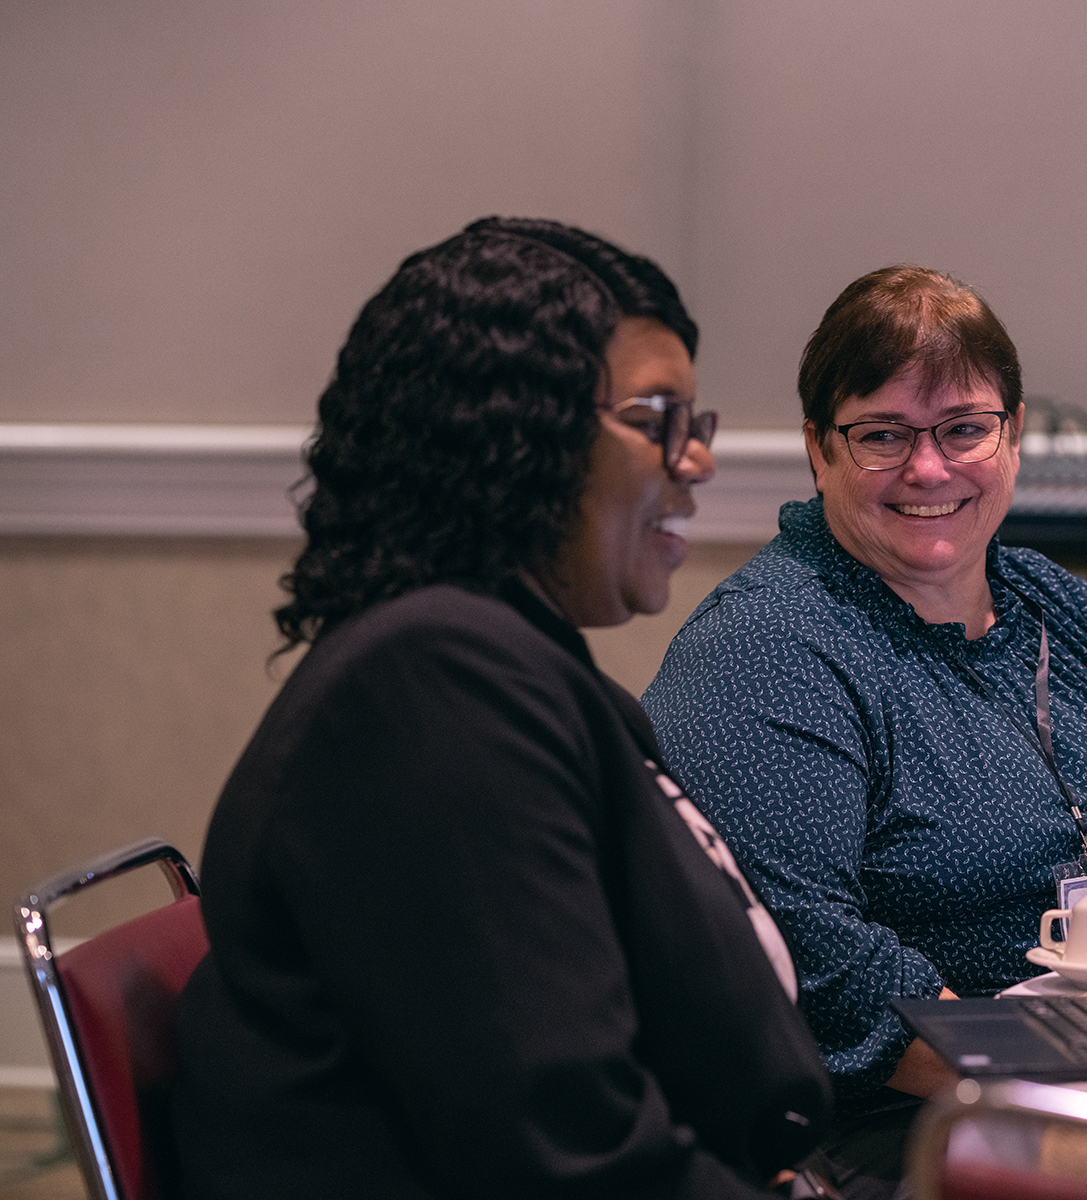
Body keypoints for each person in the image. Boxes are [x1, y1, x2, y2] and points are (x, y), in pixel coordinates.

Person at [173, 217, 831, 1200]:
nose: (695, 463)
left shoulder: (514, 668)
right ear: (517, 427)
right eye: (658, 419)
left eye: (697, 426)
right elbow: (572, 1159)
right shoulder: (432, 691)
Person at [642, 265, 1087, 1190]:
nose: (929, 469)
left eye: (966, 429)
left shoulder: (1084, 621)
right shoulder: (764, 649)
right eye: (883, 435)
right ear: (819, 450)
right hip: (908, 1133)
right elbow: (819, 972)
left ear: (1011, 437)